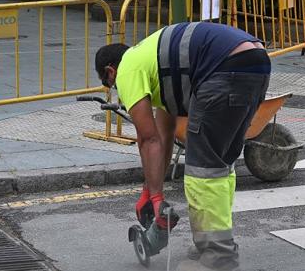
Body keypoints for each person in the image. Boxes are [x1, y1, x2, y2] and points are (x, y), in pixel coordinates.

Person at [95, 22, 270, 271]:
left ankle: (218, 256)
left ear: (110, 71)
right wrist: (150, 190)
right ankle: (209, 243)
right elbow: (163, 138)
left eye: (109, 84)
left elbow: (147, 139)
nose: (116, 90)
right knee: (220, 165)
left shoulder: (127, 69)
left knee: (202, 168)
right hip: (256, 62)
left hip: (222, 70)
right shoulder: (154, 64)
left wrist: (155, 197)